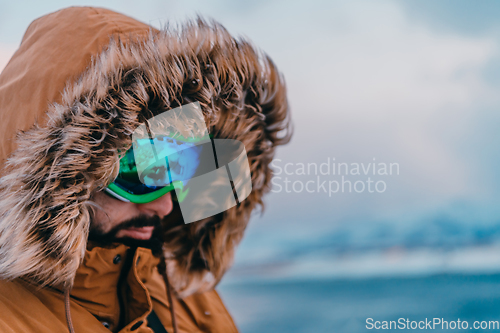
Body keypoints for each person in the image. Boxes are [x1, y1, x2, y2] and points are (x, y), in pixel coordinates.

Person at [0, 6, 291, 333]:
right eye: (139, 171)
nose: (166, 205)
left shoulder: (190, 299)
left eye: (186, 172)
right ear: (58, 177)